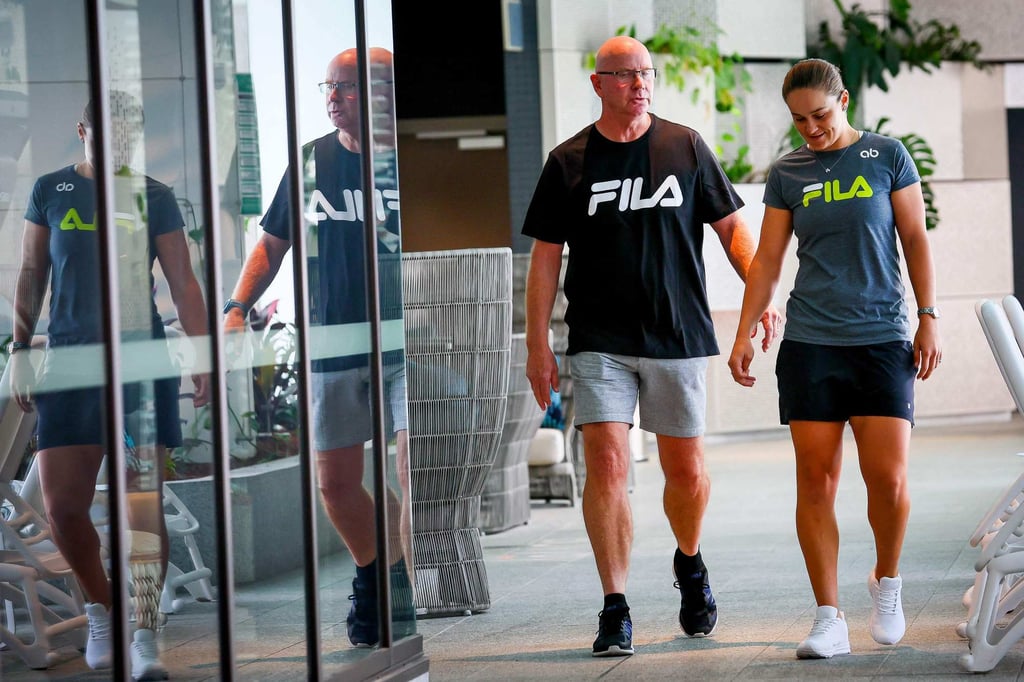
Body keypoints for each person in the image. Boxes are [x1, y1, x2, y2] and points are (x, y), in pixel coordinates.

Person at [522, 35, 781, 657]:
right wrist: (537, 341)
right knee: (607, 464)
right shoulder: (568, 162)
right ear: (598, 83)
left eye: (647, 73)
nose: (640, 83)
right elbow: (544, 259)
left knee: (685, 472)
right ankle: (615, 606)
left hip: (678, 333)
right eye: (626, 74)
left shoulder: (685, 145)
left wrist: (760, 295)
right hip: (599, 339)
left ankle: (689, 561)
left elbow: (732, 231)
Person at [727, 58, 941, 659]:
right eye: (799, 120)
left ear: (843, 101)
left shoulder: (887, 155)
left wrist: (929, 317)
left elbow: (915, 238)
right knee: (815, 481)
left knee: (888, 480)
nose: (810, 129)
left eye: (819, 115)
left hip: (880, 337)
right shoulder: (788, 173)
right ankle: (829, 616)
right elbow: (767, 260)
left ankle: (888, 583)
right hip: (811, 344)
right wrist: (745, 331)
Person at [8, 90, 211, 679]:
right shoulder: (51, 189)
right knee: (64, 507)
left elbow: (184, 282)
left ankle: (145, 633)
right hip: (70, 363)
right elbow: (30, 273)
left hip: (140, 365)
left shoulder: (153, 195)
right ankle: (103, 612)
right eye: (109, 133)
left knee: (140, 503)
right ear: (83, 130)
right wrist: (21, 350)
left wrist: (200, 356)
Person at [223, 46, 413, 648]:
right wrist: (236, 307)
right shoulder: (311, 162)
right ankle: (376, 573)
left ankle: (406, 584)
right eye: (329, 87)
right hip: (333, 343)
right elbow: (272, 244)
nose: (334, 97)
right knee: (333, 482)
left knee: (412, 471)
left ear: (382, 92)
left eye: (348, 87)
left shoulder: (409, 160)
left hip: (405, 345)